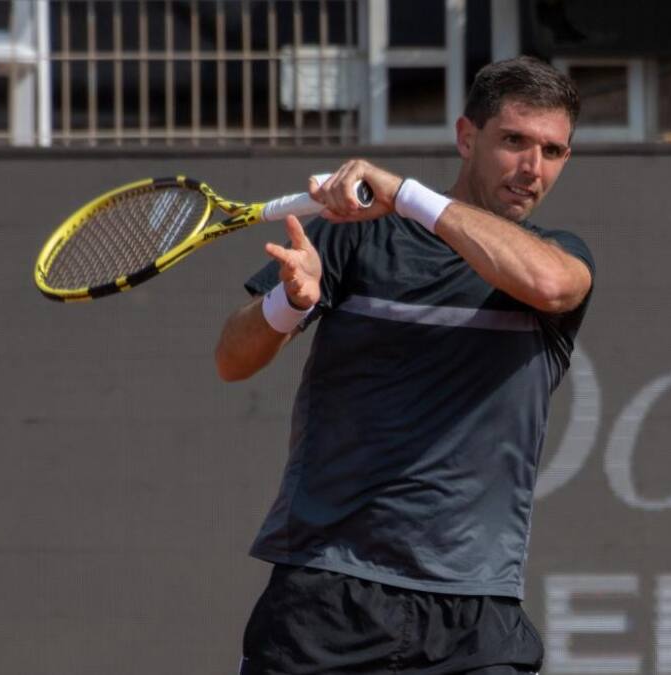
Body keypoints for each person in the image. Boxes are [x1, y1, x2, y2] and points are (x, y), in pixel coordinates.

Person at [214, 56, 592, 675]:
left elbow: (550, 284)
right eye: (514, 141)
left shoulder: (558, 258)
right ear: (467, 137)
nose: (532, 168)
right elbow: (232, 359)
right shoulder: (354, 235)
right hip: (326, 595)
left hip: (475, 617)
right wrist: (289, 301)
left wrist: (403, 194)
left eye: (552, 151)